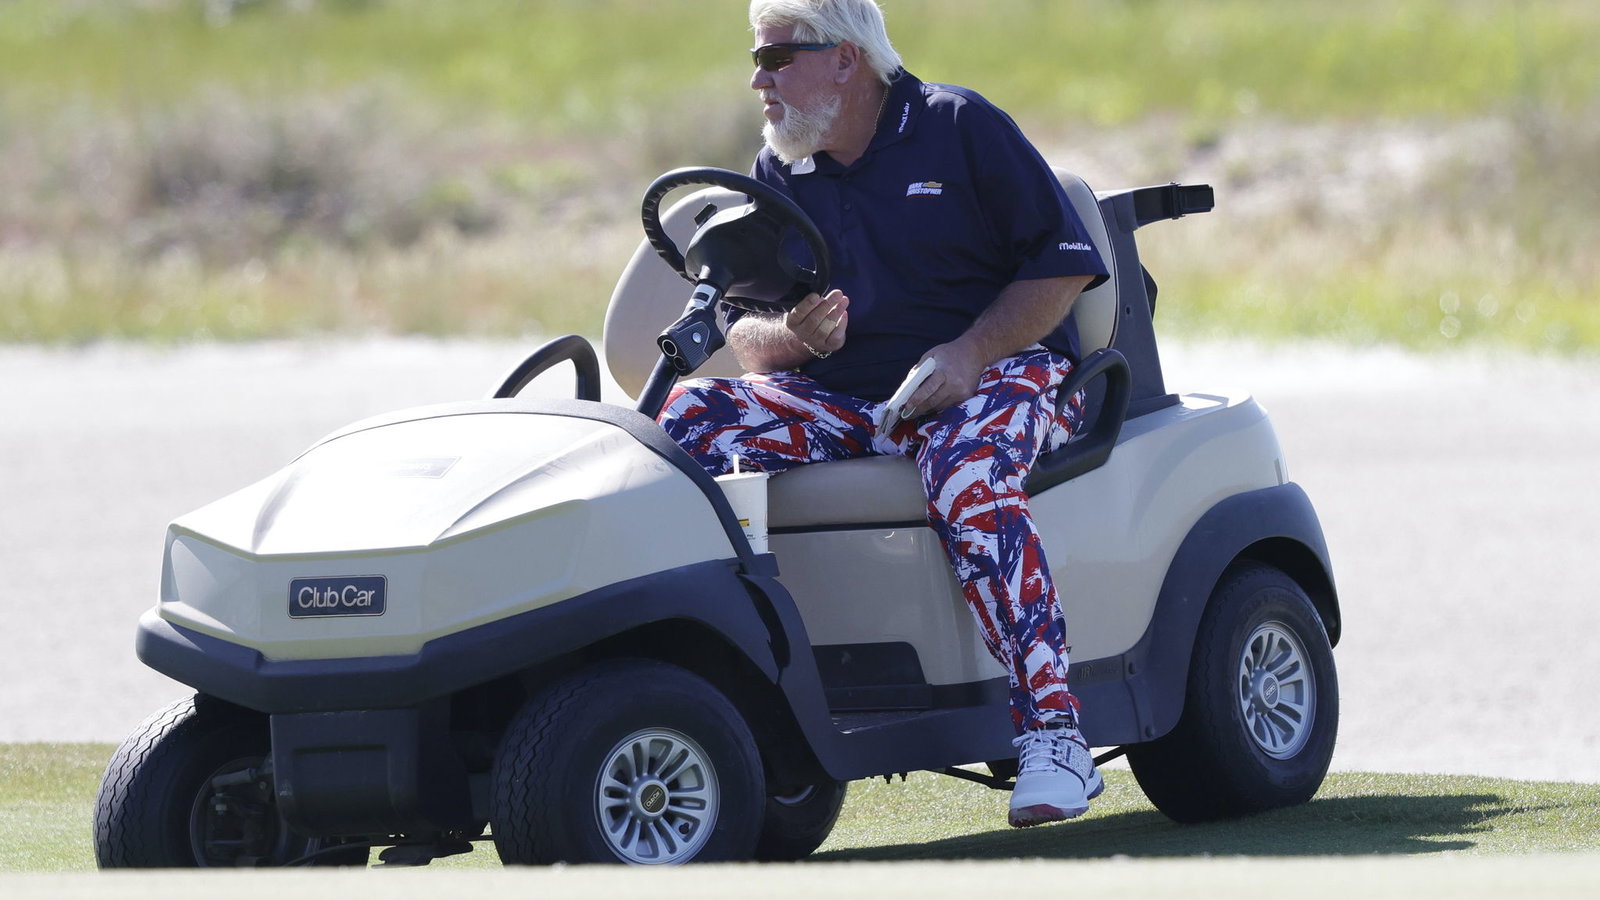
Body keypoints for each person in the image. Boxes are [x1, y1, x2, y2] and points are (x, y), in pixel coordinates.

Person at [657, 0, 1109, 828]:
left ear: (844, 59)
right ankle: (720, 705)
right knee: (682, 423)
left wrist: (969, 354)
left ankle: (1054, 732)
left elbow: (1064, 267)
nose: (758, 80)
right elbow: (748, 340)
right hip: (854, 400)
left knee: (965, 470)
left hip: (1001, 375)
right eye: (756, 61)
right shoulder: (780, 166)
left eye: (775, 59)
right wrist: (792, 334)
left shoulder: (958, 125)